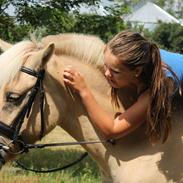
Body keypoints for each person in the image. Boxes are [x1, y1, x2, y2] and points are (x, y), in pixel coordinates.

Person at [63, 30, 183, 143]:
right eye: (106, 66)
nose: (107, 74)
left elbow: (112, 131)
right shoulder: (142, 58)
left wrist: (83, 90)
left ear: (136, 71)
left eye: (115, 72)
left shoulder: (157, 86)